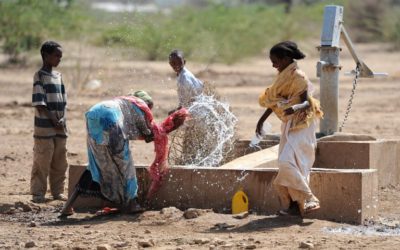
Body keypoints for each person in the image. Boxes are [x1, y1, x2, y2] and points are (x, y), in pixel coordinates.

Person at [60, 91, 188, 217]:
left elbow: (133, 132)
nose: (149, 112)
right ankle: (132, 203)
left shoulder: (122, 102)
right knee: (125, 165)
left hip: (93, 115)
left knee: (95, 164)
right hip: (112, 122)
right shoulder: (140, 107)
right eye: (150, 108)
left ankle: (67, 206)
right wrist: (168, 127)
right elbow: (148, 134)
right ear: (146, 104)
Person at [256, 41, 323, 216]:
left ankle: (309, 198)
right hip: (288, 122)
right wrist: (260, 121)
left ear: (286, 59)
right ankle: (294, 206)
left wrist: (294, 108)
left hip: (302, 123)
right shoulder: (281, 76)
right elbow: (274, 101)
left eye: (276, 61)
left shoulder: (298, 76)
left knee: (287, 162)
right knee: (287, 164)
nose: (273, 65)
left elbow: (305, 102)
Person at [31, 41, 68, 203]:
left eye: (60, 56)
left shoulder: (58, 76)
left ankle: (57, 192)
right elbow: (40, 103)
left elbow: (64, 101)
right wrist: (53, 119)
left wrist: (62, 118)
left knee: (60, 160)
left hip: (60, 126)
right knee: (43, 159)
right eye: (56, 56)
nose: (59, 59)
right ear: (46, 56)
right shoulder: (39, 76)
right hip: (45, 127)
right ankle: (38, 193)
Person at [168, 49, 203, 114]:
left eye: (179, 62)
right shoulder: (183, 73)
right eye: (174, 63)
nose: (177, 65)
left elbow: (190, 102)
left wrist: (176, 111)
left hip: (198, 109)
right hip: (197, 106)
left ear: (184, 62)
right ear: (170, 64)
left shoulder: (184, 79)